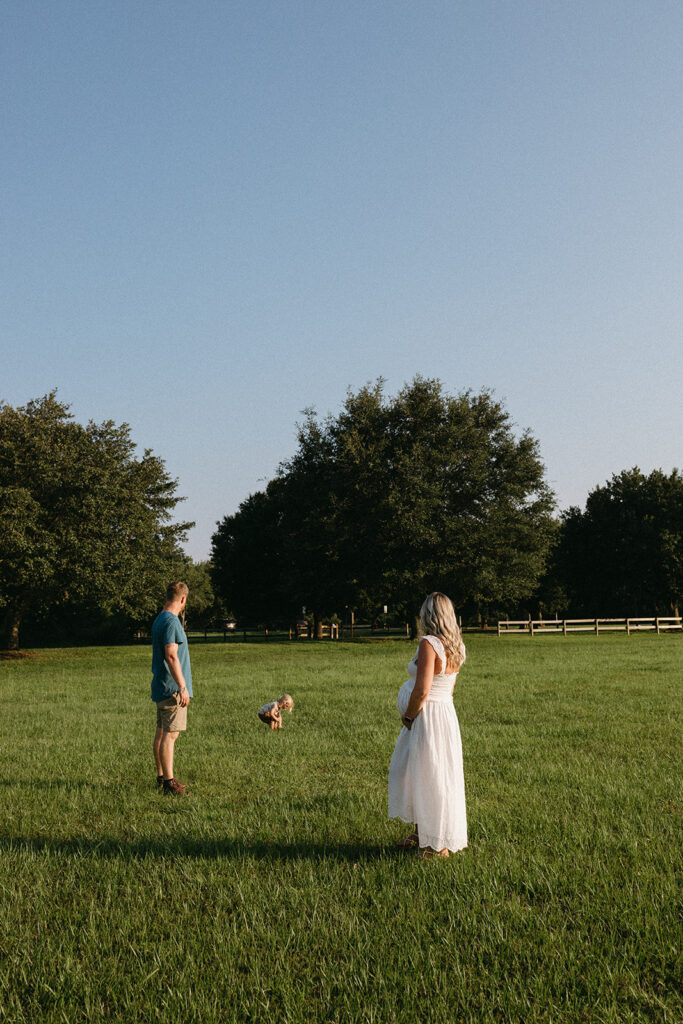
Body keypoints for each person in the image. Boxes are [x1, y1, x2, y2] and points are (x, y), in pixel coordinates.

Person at [388, 592, 467, 858]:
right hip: (445, 714)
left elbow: (422, 690)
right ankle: (423, 833)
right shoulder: (456, 644)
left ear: (428, 615)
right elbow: (450, 689)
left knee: (426, 774)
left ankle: (437, 844)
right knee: (428, 773)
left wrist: (409, 717)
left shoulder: (429, 644)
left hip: (427, 716)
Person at [151, 581, 193, 795]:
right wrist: (182, 686)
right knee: (170, 735)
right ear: (183, 599)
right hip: (171, 688)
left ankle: (161, 777)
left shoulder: (160, 618)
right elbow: (171, 654)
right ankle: (169, 782)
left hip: (161, 685)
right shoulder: (171, 622)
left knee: (161, 733)